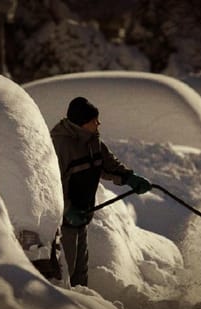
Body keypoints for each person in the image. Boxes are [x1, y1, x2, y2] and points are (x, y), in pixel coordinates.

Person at [50, 96, 152, 287]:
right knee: (65, 272)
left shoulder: (93, 142)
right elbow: (52, 183)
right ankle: (61, 306)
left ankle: (84, 306)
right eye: (93, 121)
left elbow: (108, 165)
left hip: (82, 215)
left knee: (80, 271)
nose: (99, 123)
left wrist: (130, 178)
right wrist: (67, 210)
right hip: (63, 222)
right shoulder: (60, 145)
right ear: (81, 124)